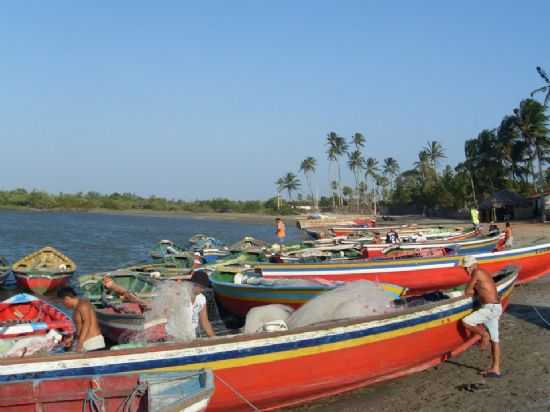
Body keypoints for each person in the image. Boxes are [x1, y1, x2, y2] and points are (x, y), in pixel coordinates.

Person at [461, 256, 502, 377]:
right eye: (465, 268)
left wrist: (472, 290)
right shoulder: (483, 272)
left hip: (489, 308)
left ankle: (483, 335)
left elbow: (467, 291)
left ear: (474, 265)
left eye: (467, 268)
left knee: (466, 321)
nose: (467, 271)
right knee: (495, 340)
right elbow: (480, 289)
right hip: (495, 308)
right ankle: (496, 369)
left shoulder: (477, 272)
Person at [57, 287, 106, 352]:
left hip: (93, 342)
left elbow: (87, 324)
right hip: (86, 342)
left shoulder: (83, 305)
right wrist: (72, 338)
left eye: (62, 302)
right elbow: (80, 327)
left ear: (67, 299)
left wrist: (80, 343)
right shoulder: (77, 307)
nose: (63, 305)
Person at [188, 271, 216, 338]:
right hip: (176, 335)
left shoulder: (202, 299)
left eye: (204, 287)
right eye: (201, 287)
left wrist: (215, 339)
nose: (202, 290)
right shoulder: (181, 296)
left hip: (192, 335)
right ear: (194, 284)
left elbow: (205, 322)